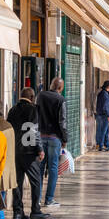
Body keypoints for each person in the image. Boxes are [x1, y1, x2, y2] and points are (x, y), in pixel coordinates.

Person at [7, 86, 46, 219]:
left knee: (17, 182)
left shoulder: (12, 110)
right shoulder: (33, 109)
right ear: (31, 98)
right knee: (36, 181)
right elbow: (34, 130)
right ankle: (35, 210)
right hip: (29, 151)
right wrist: (40, 149)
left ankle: (17, 211)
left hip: (15, 151)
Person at [36, 78, 68, 209]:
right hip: (55, 138)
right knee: (53, 168)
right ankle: (49, 199)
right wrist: (65, 138)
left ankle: (36, 199)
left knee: (40, 168)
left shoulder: (41, 96)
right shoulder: (61, 100)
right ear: (60, 88)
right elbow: (63, 121)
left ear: (51, 85)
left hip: (41, 136)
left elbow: (36, 115)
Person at [95, 80, 109, 151]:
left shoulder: (101, 93)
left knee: (106, 130)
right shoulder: (105, 94)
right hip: (104, 115)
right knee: (103, 131)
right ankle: (101, 146)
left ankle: (106, 145)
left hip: (100, 114)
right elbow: (105, 106)